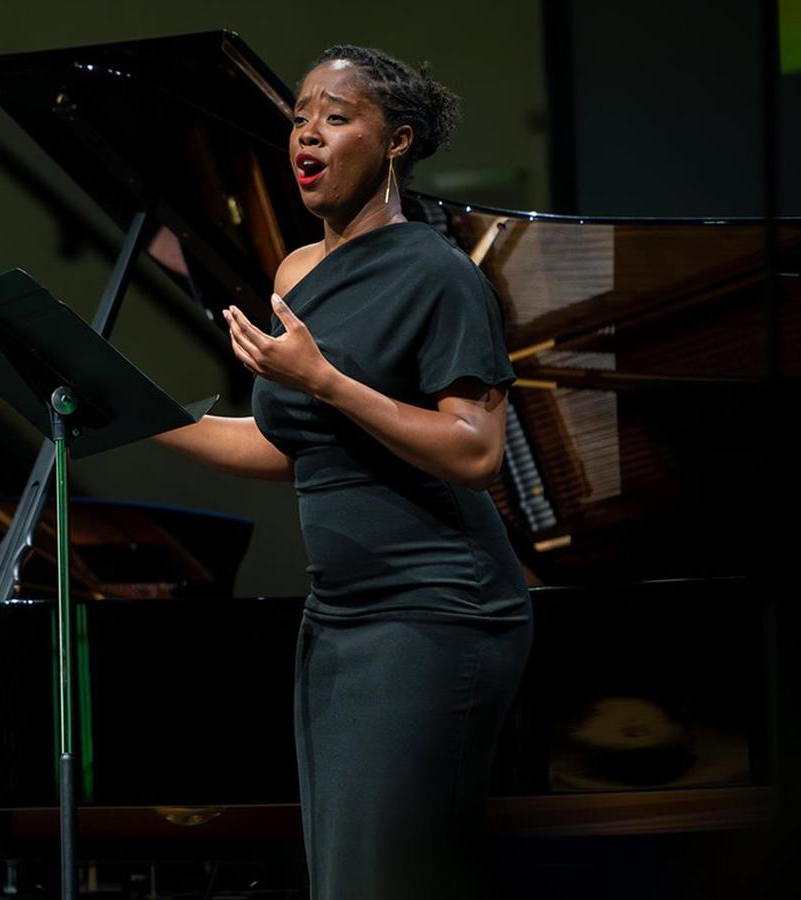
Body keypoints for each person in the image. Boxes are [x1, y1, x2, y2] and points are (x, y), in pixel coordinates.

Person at [154, 46, 531, 898]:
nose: (307, 134)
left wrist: (324, 380)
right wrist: (138, 417)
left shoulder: (439, 276)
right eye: (298, 117)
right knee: (344, 876)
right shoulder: (295, 273)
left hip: (436, 610)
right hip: (340, 616)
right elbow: (286, 446)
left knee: (385, 877)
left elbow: (475, 450)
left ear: (396, 141)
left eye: (335, 115)